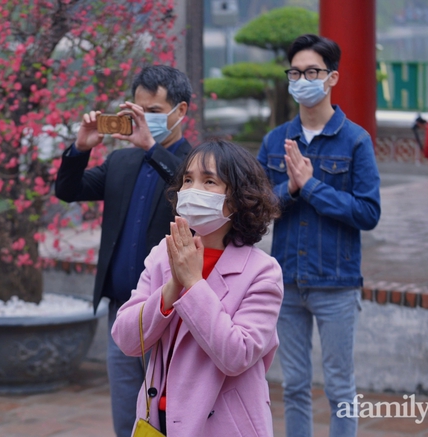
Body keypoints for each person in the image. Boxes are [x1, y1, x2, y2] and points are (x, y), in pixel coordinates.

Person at [54, 65, 193, 437]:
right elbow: (68, 190)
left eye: (155, 112)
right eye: (139, 109)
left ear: (180, 112)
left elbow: (190, 200)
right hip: (122, 312)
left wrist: (151, 147)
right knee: (126, 420)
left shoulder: (195, 165)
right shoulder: (121, 160)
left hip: (169, 313)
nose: (145, 119)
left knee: (170, 418)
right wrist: (80, 147)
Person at [112, 139, 284, 436]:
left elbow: (237, 354)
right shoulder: (161, 256)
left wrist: (193, 284)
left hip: (223, 426)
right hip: (157, 422)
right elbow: (127, 338)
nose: (193, 190)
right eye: (188, 180)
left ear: (238, 198)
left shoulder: (263, 272)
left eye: (209, 181)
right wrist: (171, 288)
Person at [257, 34, 381, 437]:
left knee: (340, 387)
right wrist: (290, 189)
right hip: (287, 281)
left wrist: (311, 187)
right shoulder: (275, 141)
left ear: (332, 78)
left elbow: (368, 212)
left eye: (312, 71)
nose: (302, 79)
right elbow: (256, 208)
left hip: (336, 283)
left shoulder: (356, 140)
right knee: (293, 385)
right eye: (296, 72)